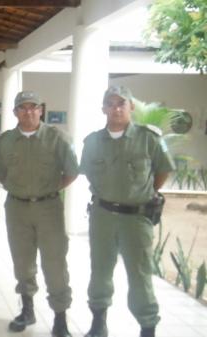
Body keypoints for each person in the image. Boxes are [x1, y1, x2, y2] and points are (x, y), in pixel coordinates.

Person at [80, 86, 175, 337]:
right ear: (103, 109)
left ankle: (147, 326)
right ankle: (98, 323)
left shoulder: (149, 138)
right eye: (110, 104)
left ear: (131, 106)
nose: (116, 108)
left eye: (122, 103)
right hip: (102, 216)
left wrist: (142, 194)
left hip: (137, 218)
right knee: (99, 270)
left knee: (140, 274)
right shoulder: (92, 142)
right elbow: (88, 172)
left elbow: (163, 170)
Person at [0, 91, 78, 337]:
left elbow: (71, 172)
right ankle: (27, 310)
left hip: (48, 208)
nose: (28, 112)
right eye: (22, 108)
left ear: (41, 110)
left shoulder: (57, 138)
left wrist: (48, 190)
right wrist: (20, 189)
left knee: (55, 262)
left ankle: (60, 319)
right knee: (22, 260)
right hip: (17, 208)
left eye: (33, 107)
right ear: (15, 112)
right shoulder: (6, 141)